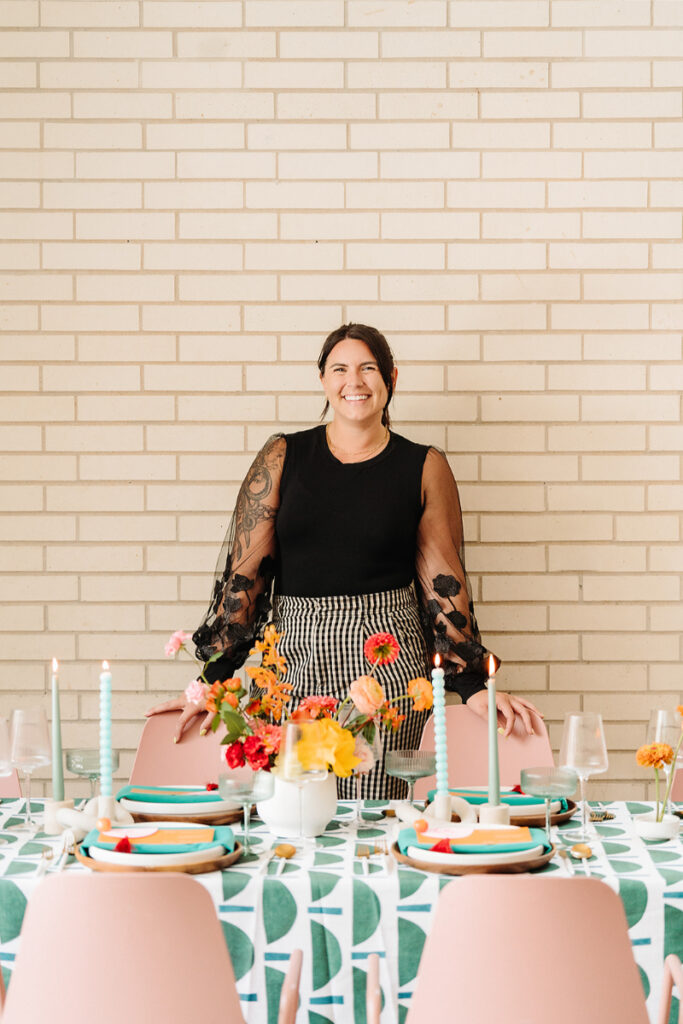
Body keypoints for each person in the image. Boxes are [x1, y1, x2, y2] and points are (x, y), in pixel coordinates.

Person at [148, 323, 542, 798]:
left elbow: (443, 585)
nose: (353, 381)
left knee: (376, 827)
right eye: (340, 369)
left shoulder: (424, 466)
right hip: (291, 667)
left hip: (388, 674)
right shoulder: (282, 457)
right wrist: (212, 678)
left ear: (391, 377)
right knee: (292, 816)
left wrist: (475, 684)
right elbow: (244, 577)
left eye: (367, 368)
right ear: (322, 380)